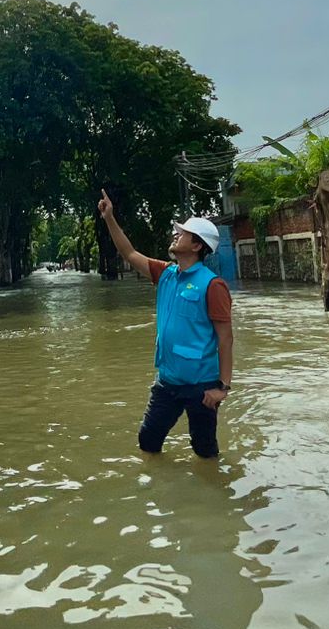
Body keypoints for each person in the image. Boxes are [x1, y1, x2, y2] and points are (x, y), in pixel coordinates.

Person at [97, 189, 232, 459]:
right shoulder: (166, 274)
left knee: (204, 450)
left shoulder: (212, 285)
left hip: (202, 386)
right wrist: (109, 218)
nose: (175, 235)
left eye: (182, 233)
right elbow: (129, 252)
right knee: (148, 440)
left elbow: (226, 339)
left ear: (196, 246)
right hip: (167, 381)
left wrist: (222, 388)